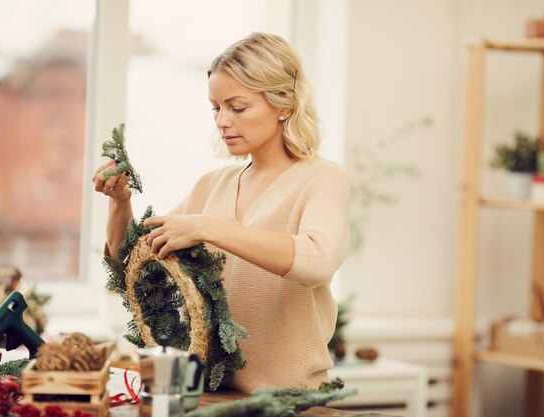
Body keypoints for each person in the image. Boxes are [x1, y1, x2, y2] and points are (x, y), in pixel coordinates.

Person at [92, 32, 350, 392]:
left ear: (285, 105)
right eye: (216, 107)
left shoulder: (321, 178)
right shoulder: (211, 186)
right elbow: (134, 265)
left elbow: (316, 260)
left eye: (238, 107)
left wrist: (208, 228)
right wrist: (120, 203)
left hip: (289, 402)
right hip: (208, 397)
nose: (222, 120)